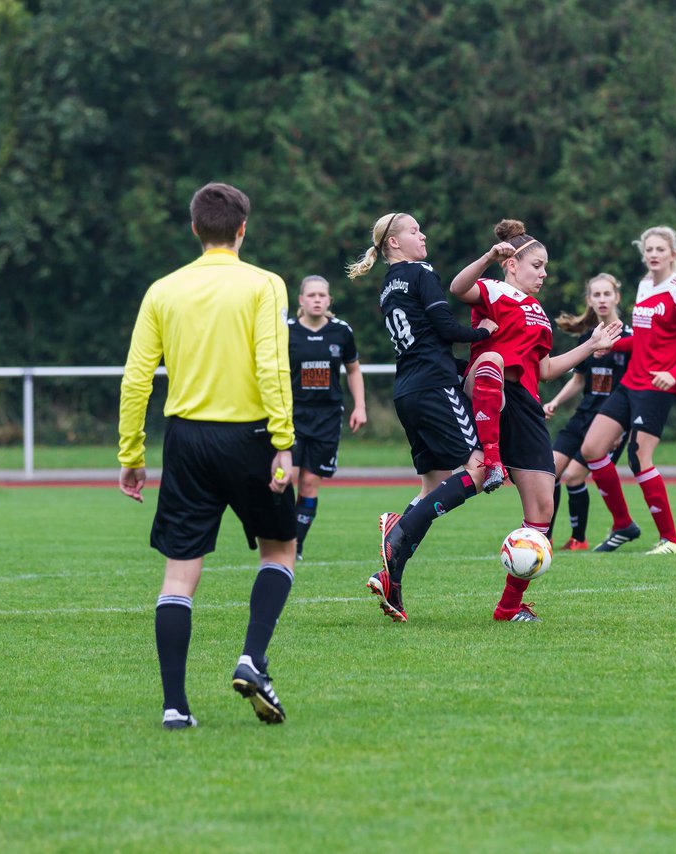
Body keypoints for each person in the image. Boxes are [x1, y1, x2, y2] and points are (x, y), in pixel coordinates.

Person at [370, 218, 621, 624]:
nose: (543, 274)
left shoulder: (538, 313)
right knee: (490, 362)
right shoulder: (493, 290)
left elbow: (544, 370)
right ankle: (482, 462)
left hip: (525, 403)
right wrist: (488, 258)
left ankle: (508, 607)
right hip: (487, 391)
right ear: (512, 264)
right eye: (537, 265)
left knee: (542, 507)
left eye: (545, 268)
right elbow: (457, 288)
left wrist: (591, 346)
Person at [118, 182, 297, 730]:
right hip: (250, 437)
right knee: (280, 551)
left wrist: (132, 453)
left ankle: (175, 708)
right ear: (242, 229)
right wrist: (284, 442)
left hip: (187, 440)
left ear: (195, 230)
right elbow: (272, 365)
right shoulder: (265, 285)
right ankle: (252, 657)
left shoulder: (163, 290)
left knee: (178, 578)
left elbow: (136, 378)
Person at [345, 212, 497, 621]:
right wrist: (486, 333)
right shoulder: (419, 271)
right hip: (434, 385)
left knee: (432, 487)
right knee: (480, 469)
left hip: (407, 392)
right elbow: (444, 327)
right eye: (414, 230)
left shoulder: (387, 284)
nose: (423, 234)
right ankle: (399, 529)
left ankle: (391, 577)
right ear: (394, 242)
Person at [579, 225, 676, 555]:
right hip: (631, 381)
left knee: (639, 459)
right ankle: (622, 524)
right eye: (648, 249)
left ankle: (671, 541)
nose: (652, 254)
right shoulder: (644, 285)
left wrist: (674, 372)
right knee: (592, 449)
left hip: (657, 386)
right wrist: (614, 346)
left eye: (659, 249)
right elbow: (644, 340)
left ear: (672, 254)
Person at [542, 273, 632, 550]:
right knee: (550, 473)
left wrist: (621, 428)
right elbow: (579, 380)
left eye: (607, 294)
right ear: (589, 300)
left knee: (574, 477)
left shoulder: (629, 338)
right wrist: (555, 401)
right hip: (583, 415)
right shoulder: (589, 338)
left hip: (610, 421)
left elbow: (634, 387)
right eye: (597, 295)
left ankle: (578, 539)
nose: (602, 300)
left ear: (616, 297)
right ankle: (543, 537)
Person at [287, 275, 367, 561]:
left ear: (329, 300)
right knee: (287, 477)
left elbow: (354, 370)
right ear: (301, 300)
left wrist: (360, 406)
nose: (317, 299)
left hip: (327, 418)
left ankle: (295, 544)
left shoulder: (341, 332)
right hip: (291, 417)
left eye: (322, 295)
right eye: (311, 295)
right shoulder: (286, 332)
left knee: (309, 482)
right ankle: (281, 537)